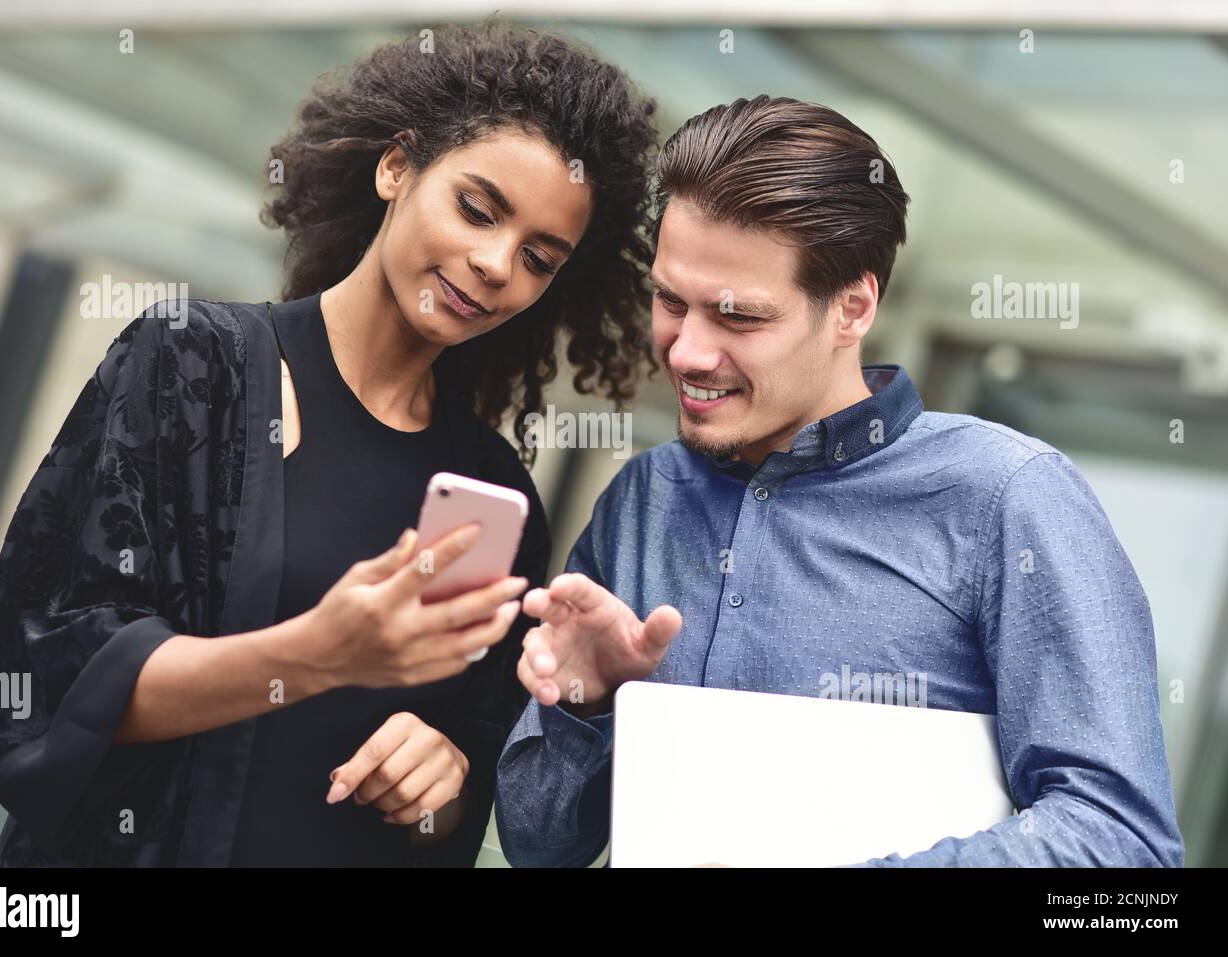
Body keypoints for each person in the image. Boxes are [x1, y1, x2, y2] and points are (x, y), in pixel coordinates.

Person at [0, 17, 658, 867]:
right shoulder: (192, 362)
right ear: (396, 166)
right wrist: (318, 653)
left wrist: (438, 781)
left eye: (540, 257)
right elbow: (50, 678)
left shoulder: (492, 494)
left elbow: (455, 814)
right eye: (477, 209)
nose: (496, 263)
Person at [494, 95, 1185, 868]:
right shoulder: (645, 500)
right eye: (670, 301)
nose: (686, 351)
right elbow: (538, 847)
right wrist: (584, 706)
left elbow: (1124, 847)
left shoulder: (1008, 498)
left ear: (853, 306)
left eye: (738, 316)